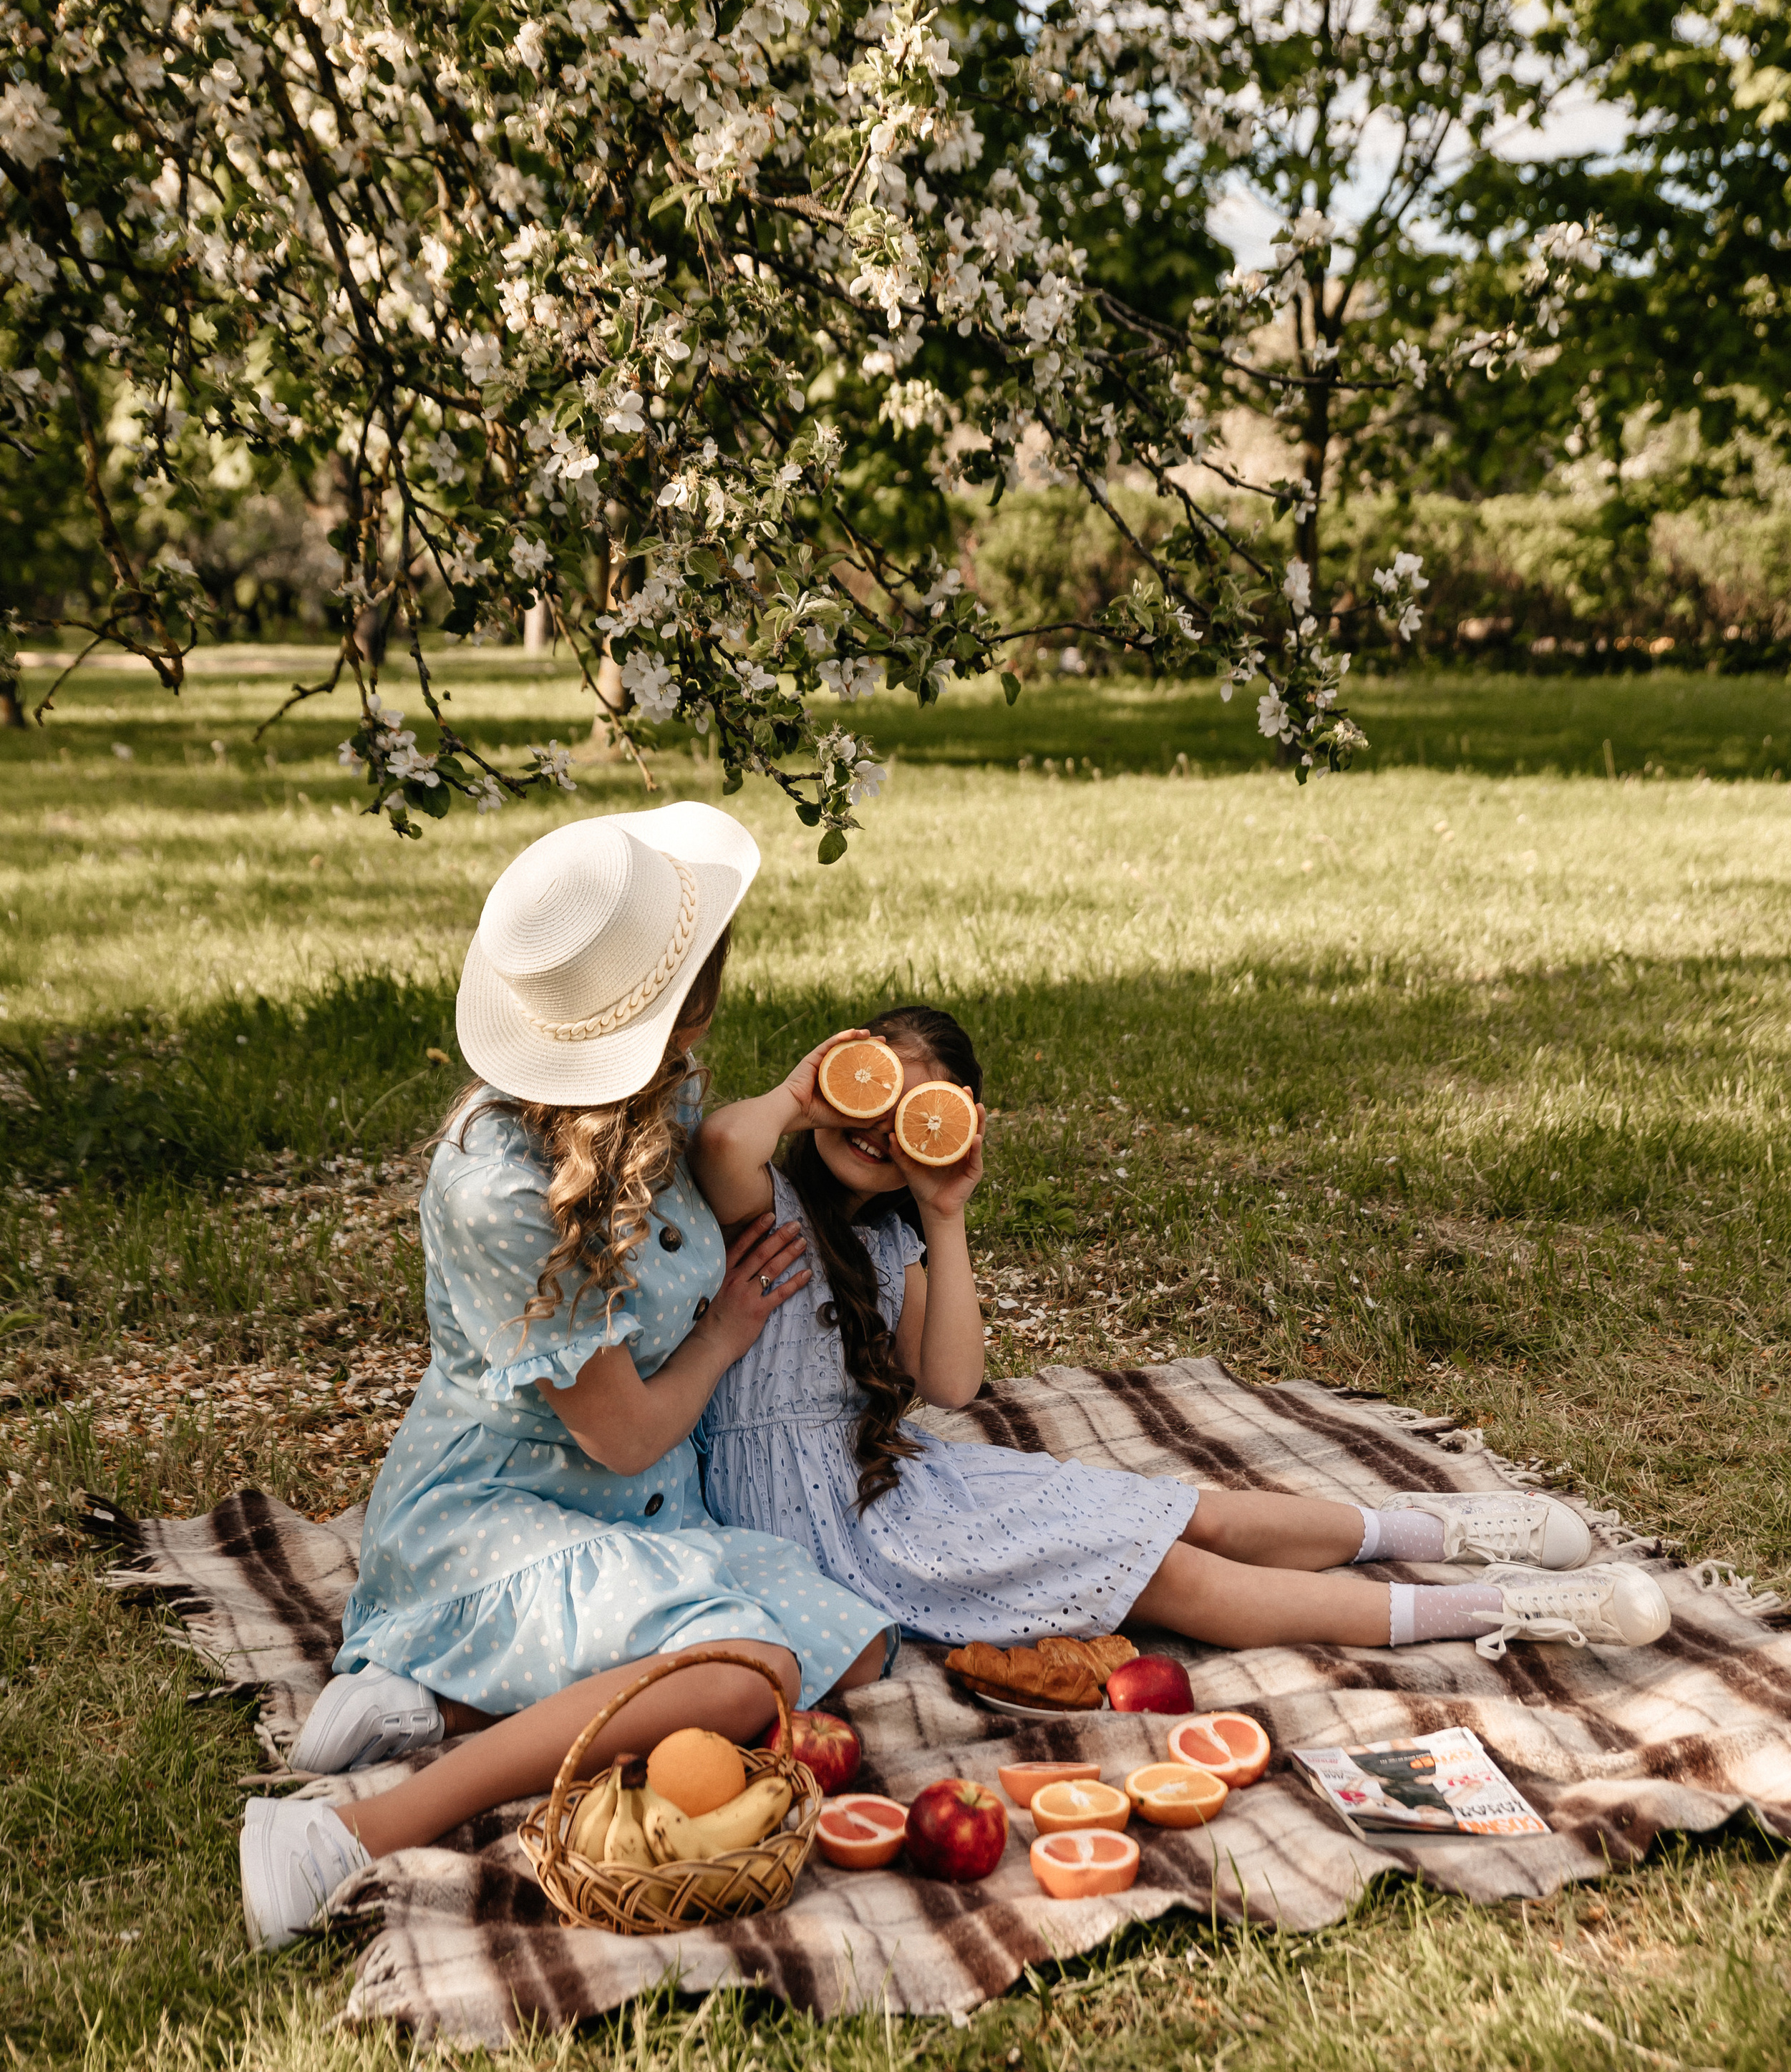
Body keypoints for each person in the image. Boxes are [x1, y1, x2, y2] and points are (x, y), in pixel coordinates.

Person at [240, 807, 889, 1950]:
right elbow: (624, 1436)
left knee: (859, 1647)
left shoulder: (656, 1087)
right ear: (691, 1001)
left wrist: (795, 1103)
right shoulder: (499, 1190)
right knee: (747, 1677)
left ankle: (431, 1701)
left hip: (636, 1509)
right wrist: (726, 1332)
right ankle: (345, 1832)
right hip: (498, 1514)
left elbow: (716, 1163)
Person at [689, 1004, 1673, 1663]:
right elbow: (728, 1136)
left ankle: (1438, 1531)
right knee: (1169, 1574)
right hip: (820, 1526)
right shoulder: (761, 1202)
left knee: (1181, 1509)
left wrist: (946, 1215)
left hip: (900, 1483)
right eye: (869, 1090)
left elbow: (950, 1384)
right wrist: (803, 1092)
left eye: (917, 1116)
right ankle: (1503, 1610)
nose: (878, 1126)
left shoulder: (894, 1235)